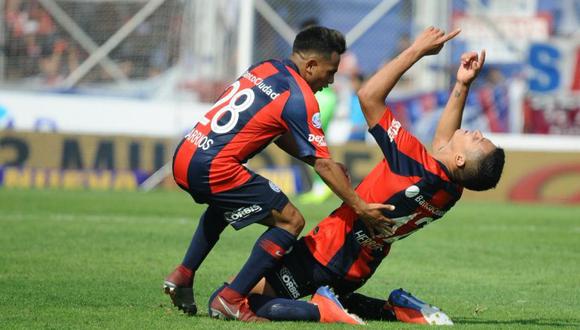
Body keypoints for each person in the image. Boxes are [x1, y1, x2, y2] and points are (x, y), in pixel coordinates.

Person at [218, 26, 505, 324]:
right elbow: (444, 144)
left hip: (329, 251)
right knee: (245, 291)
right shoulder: (451, 190)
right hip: (361, 265)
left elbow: (368, 96)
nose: (478, 133)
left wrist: (416, 50)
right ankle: (397, 309)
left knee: (232, 297)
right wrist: (462, 84)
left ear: (460, 159)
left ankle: (322, 311)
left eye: (479, 141)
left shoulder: (414, 163)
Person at [164, 26, 394, 322]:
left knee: (225, 205)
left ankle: (184, 274)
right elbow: (324, 165)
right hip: (214, 167)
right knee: (291, 220)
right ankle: (231, 299)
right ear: (311, 66)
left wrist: (317, 160)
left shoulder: (264, 68)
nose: (331, 81)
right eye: (330, 71)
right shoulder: (301, 97)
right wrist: (361, 207)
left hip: (187, 153)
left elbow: (279, 133)